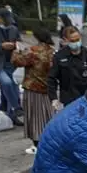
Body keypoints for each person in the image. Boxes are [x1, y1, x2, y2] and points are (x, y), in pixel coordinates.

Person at [11, 26, 55, 155]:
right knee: (48, 116)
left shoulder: (33, 51)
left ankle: (37, 145)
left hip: (33, 88)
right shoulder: (52, 51)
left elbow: (17, 61)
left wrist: (16, 51)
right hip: (48, 89)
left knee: (34, 118)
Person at [48, 26, 87, 113]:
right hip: (67, 100)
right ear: (65, 40)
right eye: (72, 41)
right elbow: (52, 78)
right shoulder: (59, 56)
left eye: (77, 39)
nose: (76, 43)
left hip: (85, 99)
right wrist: (53, 98)